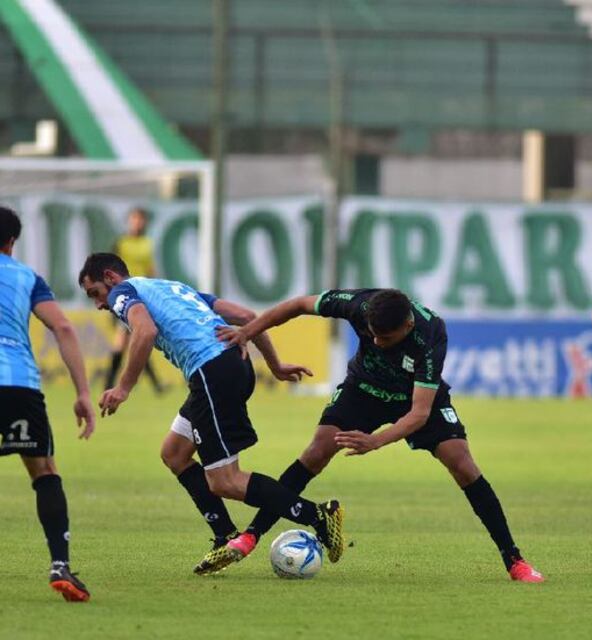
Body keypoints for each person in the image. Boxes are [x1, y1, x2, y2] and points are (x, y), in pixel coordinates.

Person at [215, 288, 545, 583]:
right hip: (364, 389)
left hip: (414, 398)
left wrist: (376, 441)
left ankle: (514, 560)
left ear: (408, 327)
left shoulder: (430, 336)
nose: (376, 342)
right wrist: (248, 331)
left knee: (462, 463)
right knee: (316, 450)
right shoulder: (362, 305)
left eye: (385, 339)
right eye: (372, 335)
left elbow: (418, 413)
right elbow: (299, 304)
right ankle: (251, 536)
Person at [76, 252, 344, 574]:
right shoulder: (173, 287)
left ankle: (317, 515)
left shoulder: (124, 292)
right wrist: (274, 364)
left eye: (95, 293)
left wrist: (123, 388)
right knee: (174, 452)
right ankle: (224, 536)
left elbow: (144, 332)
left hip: (211, 372)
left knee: (224, 481)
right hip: (229, 367)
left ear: (110, 277)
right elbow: (246, 315)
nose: (99, 304)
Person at [0, 206, 96, 601]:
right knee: (43, 472)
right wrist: (83, 393)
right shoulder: (26, 277)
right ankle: (60, 565)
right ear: (13, 242)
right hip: (18, 384)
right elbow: (63, 326)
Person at [104, 207, 166, 394]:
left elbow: (150, 269)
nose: (137, 223)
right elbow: (108, 269)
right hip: (123, 295)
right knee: (125, 340)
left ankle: (154, 385)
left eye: (140, 219)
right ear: (129, 221)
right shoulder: (121, 243)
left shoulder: (147, 243)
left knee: (139, 339)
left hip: (142, 296)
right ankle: (111, 384)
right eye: (134, 219)